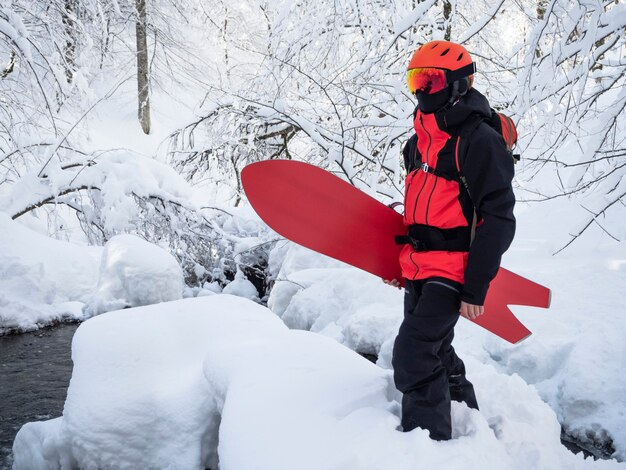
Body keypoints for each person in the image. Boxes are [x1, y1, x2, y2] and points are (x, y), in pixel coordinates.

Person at [386, 40, 516, 441]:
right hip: (420, 266)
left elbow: (498, 218)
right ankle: (463, 413)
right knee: (435, 349)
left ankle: (429, 447)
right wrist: (399, 262)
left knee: (412, 357)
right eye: (415, 80)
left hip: (454, 269)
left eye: (431, 80)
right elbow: (421, 211)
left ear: (459, 84)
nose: (422, 90)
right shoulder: (416, 142)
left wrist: (476, 286)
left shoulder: (479, 141)